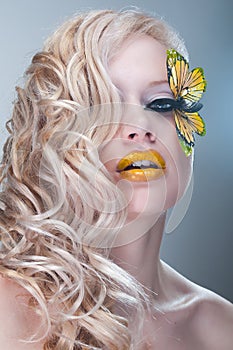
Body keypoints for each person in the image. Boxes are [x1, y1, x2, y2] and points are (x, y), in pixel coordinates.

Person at [0, 8, 232, 350]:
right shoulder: (11, 307)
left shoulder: (221, 327)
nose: (141, 128)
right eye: (106, 107)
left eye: (162, 105)